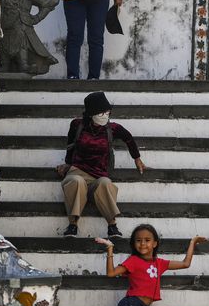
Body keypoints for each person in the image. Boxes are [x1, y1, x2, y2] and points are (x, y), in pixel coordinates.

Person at [75, 224, 208, 306]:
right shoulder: (133, 261)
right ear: (134, 244)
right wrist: (110, 249)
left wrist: (193, 242)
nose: (143, 244)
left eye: (147, 240)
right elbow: (111, 273)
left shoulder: (159, 263)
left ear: (155, 243)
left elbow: (185, 263)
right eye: (138, 240)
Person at [56, 92, 146, 238]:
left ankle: (112, 226)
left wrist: (137, 159)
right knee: (76, 181)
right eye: (101, 112)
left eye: (107, 111)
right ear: (91, 114)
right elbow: (70, 146)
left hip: (99, 175)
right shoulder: (77, 125)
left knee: (106, 183)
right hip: (77, 172)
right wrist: (67, 165)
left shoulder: (112, 128)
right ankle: (73, 225)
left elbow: (128, 138)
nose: (105, 114)